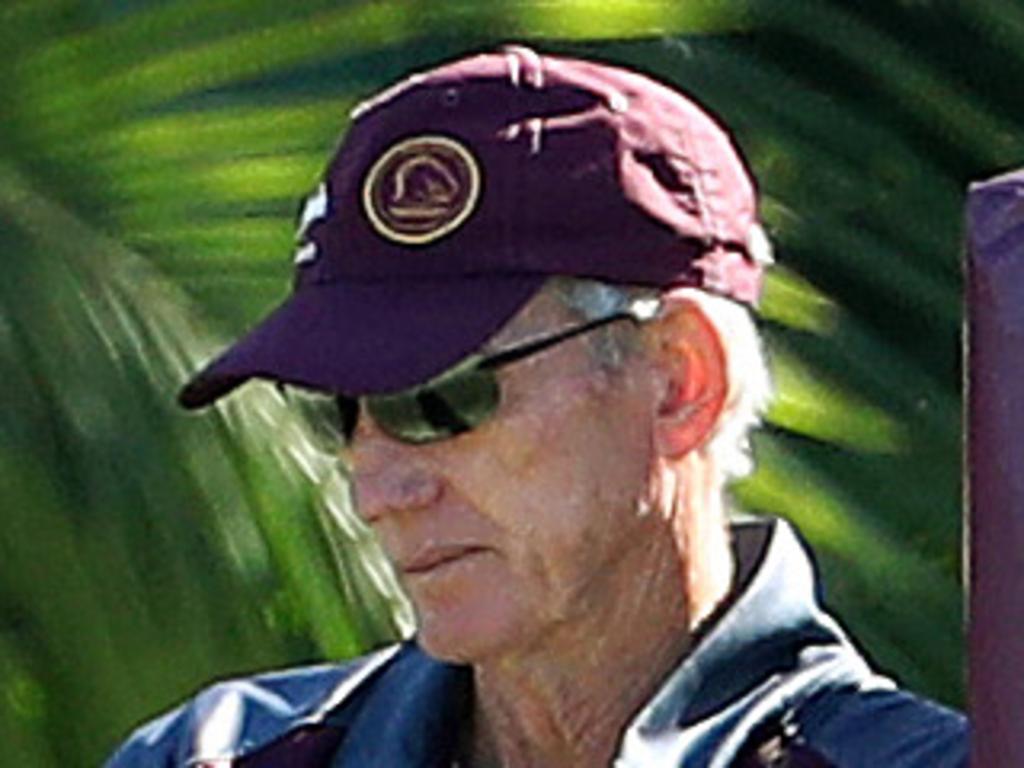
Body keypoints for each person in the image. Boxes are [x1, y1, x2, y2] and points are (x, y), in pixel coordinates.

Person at [106, 46, 968, 767]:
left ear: (680, 380)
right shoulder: (208, 756)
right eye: (337, 409)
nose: (377, 490)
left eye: (437, 398)